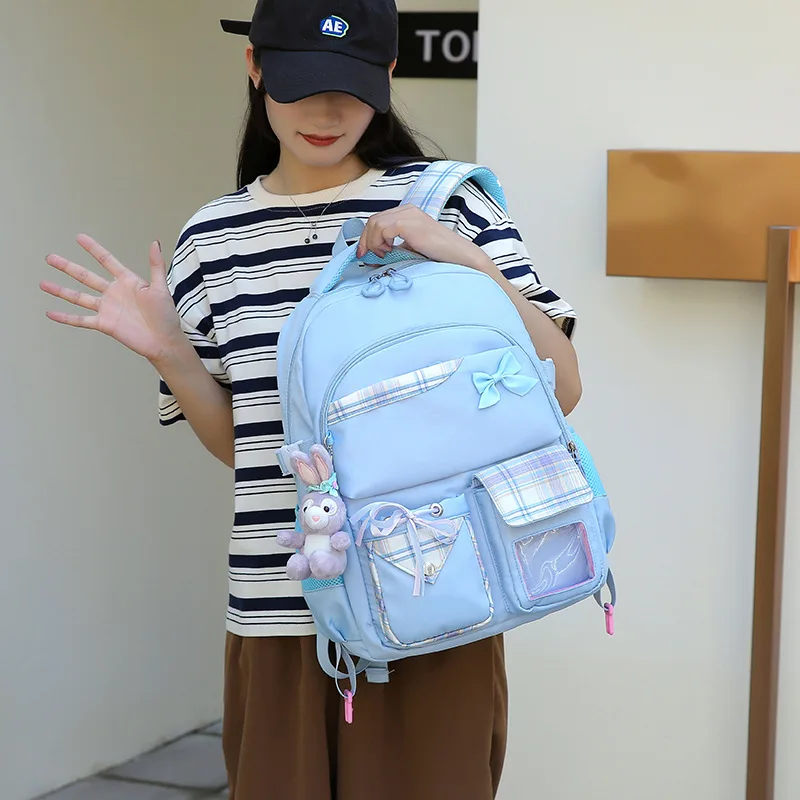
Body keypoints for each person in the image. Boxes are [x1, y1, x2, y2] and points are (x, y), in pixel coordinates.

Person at [39, 1, 581, 797]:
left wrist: (465, 260)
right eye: (301, 84)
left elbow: (564, 385)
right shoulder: (211, 241)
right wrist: (171, 354)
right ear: (255, 67)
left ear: (387, 75)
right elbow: (249, 449)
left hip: (433, 600)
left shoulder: (448, 206)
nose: (326, 114)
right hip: (277, 611)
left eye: (350, 88)